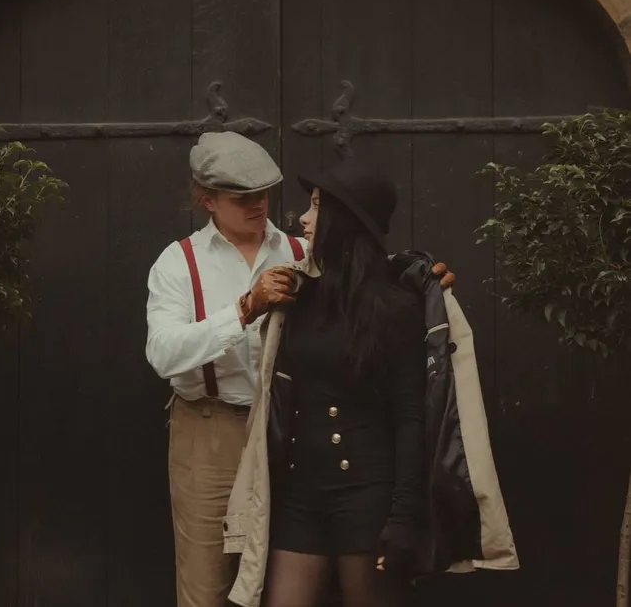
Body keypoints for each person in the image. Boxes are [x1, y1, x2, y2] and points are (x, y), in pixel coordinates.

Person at [145, 133, 454, 607]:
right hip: (214, 429)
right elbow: (163, 354)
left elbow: (358, 273)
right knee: (210, 585)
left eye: (263, 194)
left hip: (291, 437)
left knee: (278, 578)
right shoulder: (179, 262)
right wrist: (245, 309)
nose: (257, 204)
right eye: (242, 197)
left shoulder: (299, 250)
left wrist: (421, 279)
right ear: (208, 200)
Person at [222, 160, 518, 607]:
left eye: (316, 207)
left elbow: (409, 417)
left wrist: (403, 517)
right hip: (300, 496)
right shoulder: (297, 297)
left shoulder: (397, 306)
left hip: (368, 496)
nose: (303, 219)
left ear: (345, 220)